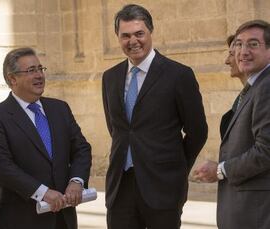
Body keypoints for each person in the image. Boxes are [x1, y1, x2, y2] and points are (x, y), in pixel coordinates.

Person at [101, 4, 208, 229]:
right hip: (121, 188)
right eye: (126, 35)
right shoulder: (110, 78)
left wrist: (176, 168)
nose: (133, 41)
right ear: (118, 38)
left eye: (139, 33)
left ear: (150, 32)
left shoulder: (178, 75)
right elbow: (117, 129)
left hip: (164, 186)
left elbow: (198, 132)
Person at [0, 47, 92, 229]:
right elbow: (2, 166)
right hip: (21, 220)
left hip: (62, 219)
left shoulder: (60, 109)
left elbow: (81, 148)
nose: (39, 75)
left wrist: (76, 181)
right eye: (31, 71)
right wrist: (43, 192)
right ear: (12, 79)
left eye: (40, 69)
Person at [194, 20, 270, 228]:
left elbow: (266, 151)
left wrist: (220, 170)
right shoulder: (255, 86)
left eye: (253, 44)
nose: (242, 52)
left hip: (257, 213)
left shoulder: (266, 87)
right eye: (238, 44)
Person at [194, 34, 249, 180]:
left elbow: (263, 152)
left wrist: (220, 170)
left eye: (231, 54)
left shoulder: (263, 94)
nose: (227, 61)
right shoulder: (242, 98)